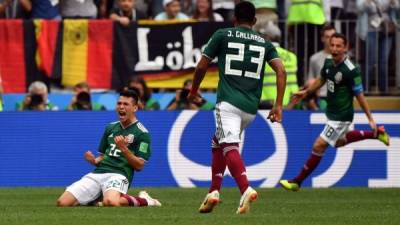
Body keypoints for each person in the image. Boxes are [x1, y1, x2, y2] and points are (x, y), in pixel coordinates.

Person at [187, 1, 286, 214]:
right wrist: (278, 105)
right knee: (218, 142)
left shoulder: (223, 34)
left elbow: (202, 65)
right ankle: (213, 191)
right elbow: (281, 71)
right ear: (254, 21)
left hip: (228, 104)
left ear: (234, 20)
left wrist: (194, 90)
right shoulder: (265, 42)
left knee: (229, 145)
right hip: (250, 109)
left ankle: (245, 189)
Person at [279, 33, 390, 192]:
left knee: (319, 145)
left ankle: (297, 181)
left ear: (345, 48)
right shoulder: (328, 62)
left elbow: (360, 95)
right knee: (339, 142)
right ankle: (376, 134)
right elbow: (321, 79)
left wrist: (370, 119)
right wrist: (307, 92)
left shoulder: (351, 70)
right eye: (332, 45)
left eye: (339, 46)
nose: (335, 49)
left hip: (341, 116)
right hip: (332, 112)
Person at [57, 90, 161, 207]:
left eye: (126, 104)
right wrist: (94, 161)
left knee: (111, 202)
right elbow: (102, 157)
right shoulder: (110, 127)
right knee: (62, 202)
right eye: (119, 103)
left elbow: (139, 166)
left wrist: (124, 149)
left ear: (135, 108)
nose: (121, 107)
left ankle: (146, 200)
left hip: (119, 175)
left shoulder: (142, 133)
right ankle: (98, 198)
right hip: (99, 173)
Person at [258, 21, 298, 109]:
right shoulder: (292, 56)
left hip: (267, 104)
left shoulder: (262, 54)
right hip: (289, 104)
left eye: (263, 36)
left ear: (268, 37)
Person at [307, 24, 336, 99]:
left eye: (332, 36)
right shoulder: (314, 58)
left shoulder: (345, 58)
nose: (330, 39)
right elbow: (311, 80)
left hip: (338, 98)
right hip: (321, 98)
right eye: (327, 37)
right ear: (322, 38)